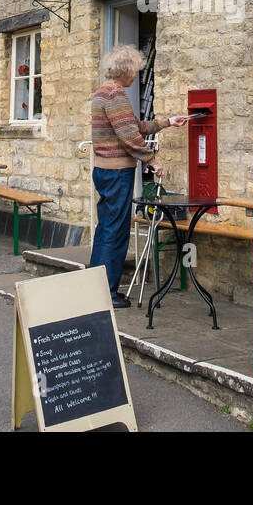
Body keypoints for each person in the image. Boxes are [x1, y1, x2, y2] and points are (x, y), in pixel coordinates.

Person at [90, 45, 188, 308]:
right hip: (116, 172)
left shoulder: (103, 92)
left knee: (106, 228)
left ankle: (94, 289)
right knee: (116, 230)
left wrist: (167, 122)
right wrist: (152, 161)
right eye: (134, 71)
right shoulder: (116, 94)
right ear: (125, 70)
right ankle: (107, 293)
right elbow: (130, 137)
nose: (135, 76)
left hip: (104, 170)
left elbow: (135, 126)